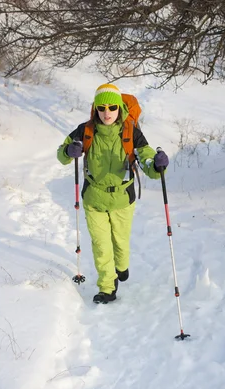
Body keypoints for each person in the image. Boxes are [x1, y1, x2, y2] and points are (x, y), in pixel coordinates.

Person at [57, 83, 169, 304]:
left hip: (122, 198)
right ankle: (107, 287)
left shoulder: (131, 132)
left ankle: (121, 266)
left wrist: (156, 165)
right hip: (94, 198)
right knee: (101, 245)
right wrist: (69, 151)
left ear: (119, 108)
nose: (106, 113)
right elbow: (62, 155)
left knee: (120, 241)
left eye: (111, 107)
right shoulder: (85, 130)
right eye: (101, 108)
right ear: (95, 109)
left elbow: (146, 158)